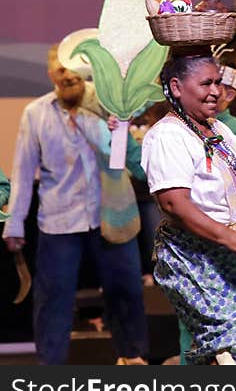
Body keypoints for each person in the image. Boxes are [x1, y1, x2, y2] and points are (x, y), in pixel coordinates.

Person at [141, 49, 236, 364]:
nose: (215, 91)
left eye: (217, 82)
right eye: (205, 84)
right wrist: (231, 237)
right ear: (175, 87)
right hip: (208, 259)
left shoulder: (220, 129)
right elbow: (174, 203)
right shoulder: (168, 136)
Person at [2, 47, 149, 365]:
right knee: (53, 301)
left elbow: (128, 159)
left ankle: (132, 359)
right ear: (50, 73)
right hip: (59, 222)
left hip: (111, 217)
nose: (67, 75)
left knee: (127, 293)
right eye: (60, 70)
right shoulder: (36, 113)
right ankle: (50, 371)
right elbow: (23, 172)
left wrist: (114, 126)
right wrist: (14, 223)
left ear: (84, 72)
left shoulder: (106, 108)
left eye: (72, 69)